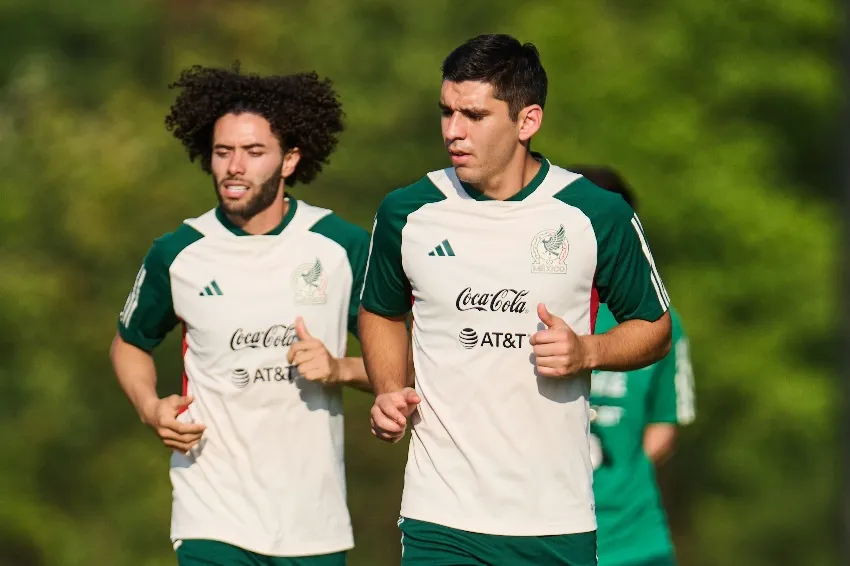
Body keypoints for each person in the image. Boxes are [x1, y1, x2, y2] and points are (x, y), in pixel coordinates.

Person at [358, 34, 673, 566]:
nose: (453, 131)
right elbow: (381, 310)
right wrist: (389, 389)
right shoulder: (406, 213)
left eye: (475, 115)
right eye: (447, 112)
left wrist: (588, 351)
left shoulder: (596, 214)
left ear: (527, 121)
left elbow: (655, 328)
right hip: (440, 516)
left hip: (555, 519)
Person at [110, 64, 371, 566]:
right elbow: (129, 344)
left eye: (253, 152)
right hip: (211, 516)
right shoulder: (178, 252)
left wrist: (340, 368)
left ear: (289, 160)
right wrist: (150, 407)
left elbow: (405, 364)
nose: (234, 166)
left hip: (313, 525)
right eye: (223, 151)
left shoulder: (343, 245)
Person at [568, 166, 696, 566]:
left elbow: (663, 427)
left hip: (634, 539)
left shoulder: (658, 322)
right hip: (551, 535)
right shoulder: (528, 309)